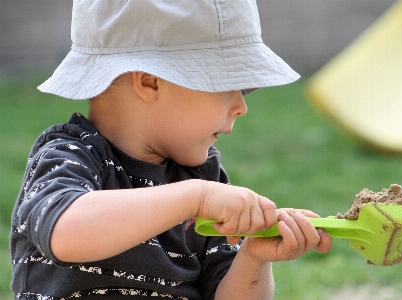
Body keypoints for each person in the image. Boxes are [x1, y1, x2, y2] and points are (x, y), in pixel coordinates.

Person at [10, 1, 332, 299]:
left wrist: (253, 257)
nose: (241, 106)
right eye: (227, 85)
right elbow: (66, 234)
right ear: (150, 81)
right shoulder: (70, 155)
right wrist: (194, 198)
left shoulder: (204, 179)